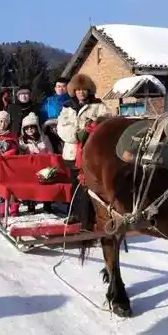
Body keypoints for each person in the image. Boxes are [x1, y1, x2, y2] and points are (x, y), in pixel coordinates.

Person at [57, 73, 111, 225]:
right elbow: (62, 128)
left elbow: (105, 124)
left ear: (89, 90)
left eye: (84, 89)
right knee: (75, 185)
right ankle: (75, 214)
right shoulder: (67, 107)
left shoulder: (99, 106)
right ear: (74, 90)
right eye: (78, 89)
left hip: (92, 153)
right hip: (73, 153)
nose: (81, 92)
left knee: (90, 185)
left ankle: (91, 217)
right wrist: (78, 133)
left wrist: (92, 129)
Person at [39, 78, 70, 152]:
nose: (61, 89)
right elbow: (42, 115)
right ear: (55, 88)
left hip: (68, 131)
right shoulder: (48, 101)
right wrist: (46, 124)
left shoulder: (72, 100)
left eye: (63, 86)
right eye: (58, 86)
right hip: (52, 131)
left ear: (67, 87)